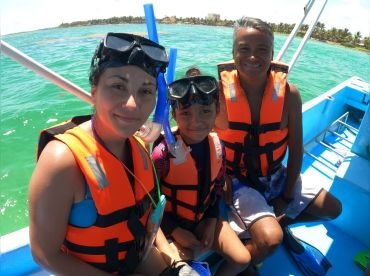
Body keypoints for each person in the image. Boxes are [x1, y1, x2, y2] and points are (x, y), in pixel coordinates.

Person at [28, 32, 188, 275]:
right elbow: (44, 254)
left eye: (146, 91)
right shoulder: (62, 161)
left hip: (141, 258)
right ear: (94, 90)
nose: (133, 104)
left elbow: (145, 217)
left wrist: (173, 262)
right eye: (117, 86)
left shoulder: (139, 146)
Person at [214, 17, 342, 270]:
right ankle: (237, 265)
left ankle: (274, 223)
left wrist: (286, 194)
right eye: (244, 49)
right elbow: (206, 141)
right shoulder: (217, 94)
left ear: (272, 53)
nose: (253, 57)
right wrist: (222, 177)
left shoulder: (289, 95)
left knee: (333, 208)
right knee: (271, 240)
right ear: (233, 52)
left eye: (262, 49)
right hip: (238, 179)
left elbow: (296, 150)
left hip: (275, 174)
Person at [151, 67, 251, 276]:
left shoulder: (218, 147)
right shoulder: (162, 154)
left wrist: (211, 222)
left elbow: (215, 191)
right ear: (174, 115)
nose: (196, 122)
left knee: (243, 259)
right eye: (186, 113)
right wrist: (174, 231)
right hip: (168, 226)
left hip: (203, 219)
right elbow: (147, 201)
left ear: (217, 110)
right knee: (178, 263)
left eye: (205, 111)